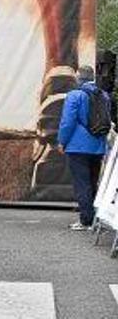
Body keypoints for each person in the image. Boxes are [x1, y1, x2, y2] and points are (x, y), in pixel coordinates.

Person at [58, 65, 111, 231]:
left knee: (82, 183)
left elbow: (68, 122)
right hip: (98, 145)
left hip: (77, 146)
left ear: (78, 78)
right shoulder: (103, 95)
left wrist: (62, 141)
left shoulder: (75, 95)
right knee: (93, 182)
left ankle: (85, 220)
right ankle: (95, 218)